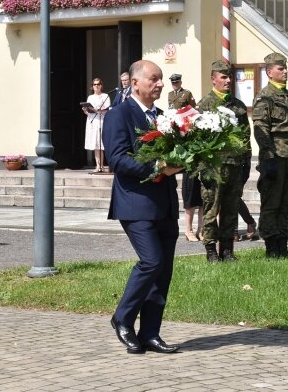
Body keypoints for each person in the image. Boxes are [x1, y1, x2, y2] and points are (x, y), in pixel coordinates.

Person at [102, 59, 183, 354]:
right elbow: (118, 159)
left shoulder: (162, 116)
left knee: (163, 272)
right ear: (135, 82)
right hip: (135, 204)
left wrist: (184, 160)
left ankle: (150, 333)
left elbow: (174, 156)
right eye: (154, 78)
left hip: (165, 204)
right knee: (151, 262)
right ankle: (122, 318)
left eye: (161, 79)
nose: (160, 83)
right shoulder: (118, 115)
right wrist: (158, 165)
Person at [253, 52, 288, 258]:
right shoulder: (264, 97)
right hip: (275, 156)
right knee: (271, 202)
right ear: (269, 72)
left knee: (287, 203)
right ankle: (271, 246)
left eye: (285, 68)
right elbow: (261, 127)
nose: (285, 72)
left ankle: (283, 244)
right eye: (280, 69)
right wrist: (268, 157)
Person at [196, 60, 251, 262]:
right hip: (214, 167)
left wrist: (246, 163)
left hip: (235, 166)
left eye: (230, 77)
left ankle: (227, 250)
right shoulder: (204, 105)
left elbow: (246, 136)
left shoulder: (238, 106)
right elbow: (197, 140)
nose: (228, 81)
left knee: (231, 209)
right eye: (223, 77)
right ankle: (211, 251)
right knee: (211, 209)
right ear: (213, 79)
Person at [168, 73, 201, 242]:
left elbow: (192, 110)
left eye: (177, 82)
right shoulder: (170, 95)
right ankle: (188, 229)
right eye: (173, 82)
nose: (175, 84)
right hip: (178, 133)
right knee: (189, 192)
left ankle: (200, 229)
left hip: (187, 132)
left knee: (198, 194)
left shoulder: (186, 94)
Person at [83, 78, 110, 172]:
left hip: (101, 120)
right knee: (95, 143)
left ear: (101, 85)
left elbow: (107, 108)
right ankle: (97, 166)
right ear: (92, 86)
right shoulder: (90, 97)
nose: (96, 86)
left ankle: (102, 165)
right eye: (94, 84)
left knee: (101, 143)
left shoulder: (105, 96)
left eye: (98, 84)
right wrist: (86, 110)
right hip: (92, 121)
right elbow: (89, 113)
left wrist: (96, 109)